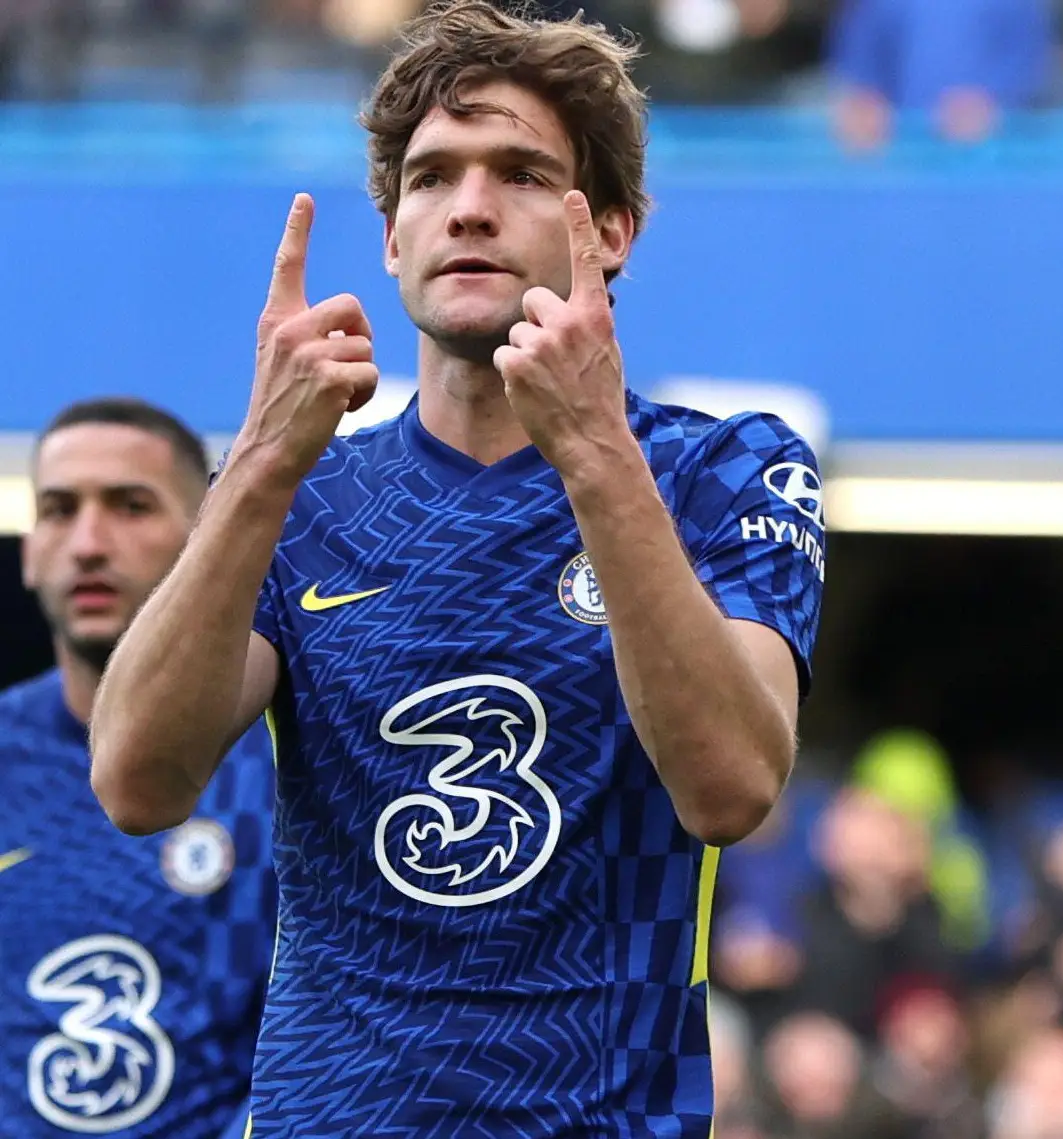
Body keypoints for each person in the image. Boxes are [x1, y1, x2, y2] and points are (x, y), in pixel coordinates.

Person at [88, 2, 826, 1134]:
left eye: (522, 174)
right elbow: (137, 782)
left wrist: (593, 453)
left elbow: (730, 786)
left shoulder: (724, 468)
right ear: (393, 239)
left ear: (611, 230)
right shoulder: (304, 494)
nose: (469, 207)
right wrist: (260, 463)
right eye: (431, 178)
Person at [0, 398, 274, 1139]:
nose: (89, 544)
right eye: (59, 510)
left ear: (207, 539)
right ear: (28, 553)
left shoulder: (286, 763)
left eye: (131, 506)